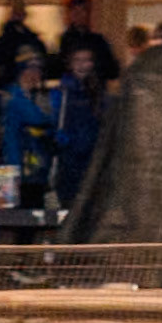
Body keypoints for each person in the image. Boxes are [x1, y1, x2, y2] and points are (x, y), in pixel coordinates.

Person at [50, 46, 103, 208]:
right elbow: (53, 120)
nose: (81, 65)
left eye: (86, 61)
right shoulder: (62, 91)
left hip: (90, 158)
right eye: (77, 60)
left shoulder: (96, 92)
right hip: (68, 158)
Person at [0, 54, 53, 210]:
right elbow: (38, 118)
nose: (34, 74)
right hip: (9, 165)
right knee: (5, 214)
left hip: (33, 167)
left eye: (38, 70)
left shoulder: (35, 96)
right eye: (30, 69)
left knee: (33, 213)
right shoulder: (12, 95)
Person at [58, 0, 119, 84]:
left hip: (95, 87)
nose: (79, 15)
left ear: (88, 15)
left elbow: (112, 70)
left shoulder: (98, 41)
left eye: (82, 11)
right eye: (75, 11)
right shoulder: (66, 41)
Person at [0, 0, 44, 85]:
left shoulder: (32, 37)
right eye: (15, 11)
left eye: (20, 10)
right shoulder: (4, 40)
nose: (18, 14)